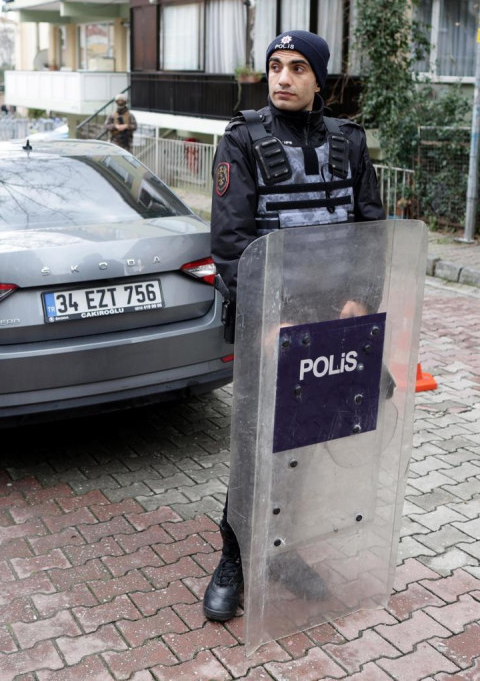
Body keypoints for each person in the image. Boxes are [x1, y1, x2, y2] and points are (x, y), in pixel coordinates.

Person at [202, 30, 384, 623]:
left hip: (335, 324)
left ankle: (283, 552)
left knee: (304, 443)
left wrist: (361, 299)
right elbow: (231, 245)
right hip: (272, 324)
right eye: (275, 67)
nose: (283, 78)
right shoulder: (241, 142)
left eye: (298, 68)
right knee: (257, 448)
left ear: (319, 80)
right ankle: (233, 558)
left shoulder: (349, 143)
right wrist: (268, 316)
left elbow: (370, 230)